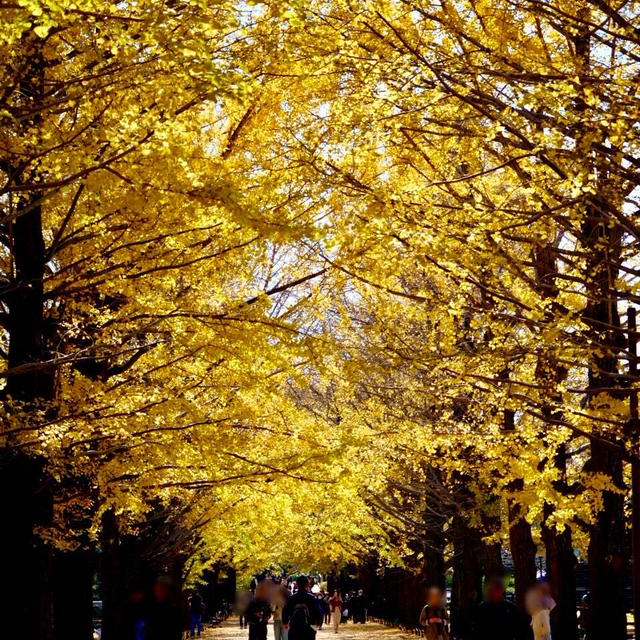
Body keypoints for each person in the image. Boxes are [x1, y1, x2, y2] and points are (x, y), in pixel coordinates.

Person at [283, 576, 324, 640]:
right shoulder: (312, 598)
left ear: (296, 584)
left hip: (294, 629)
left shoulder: (292, 598)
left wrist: (285, 622)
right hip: (309, 629)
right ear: (308, 584)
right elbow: (319, 612)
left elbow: (285, 611)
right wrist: (318, 623)